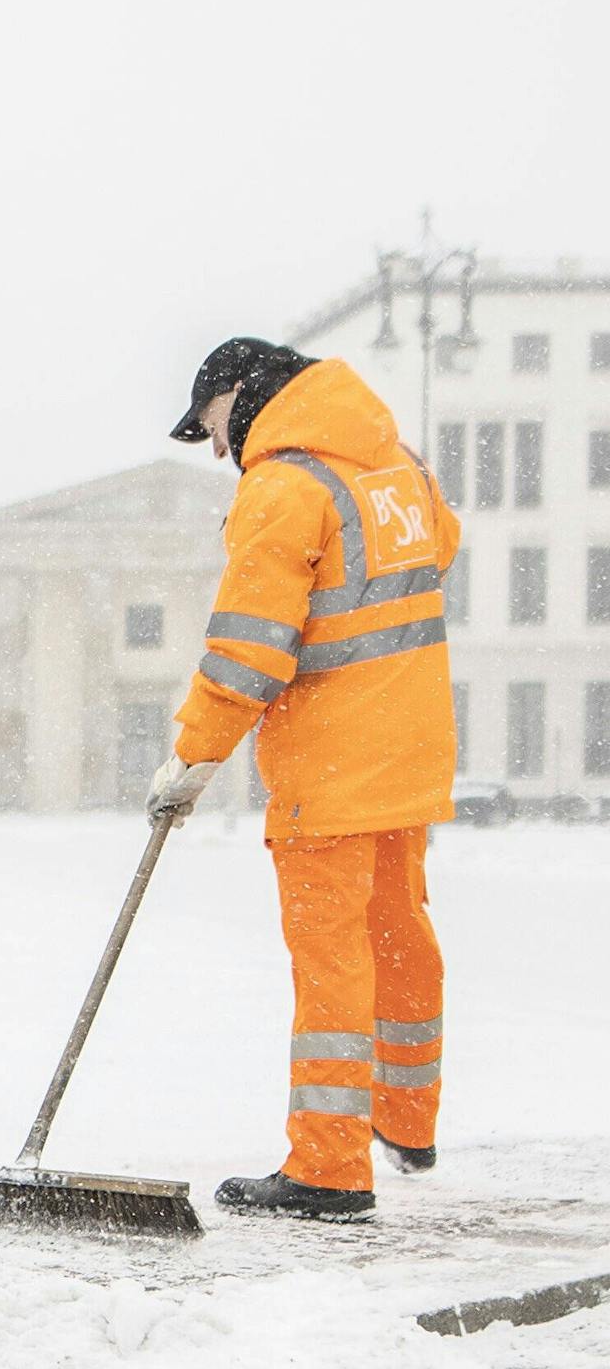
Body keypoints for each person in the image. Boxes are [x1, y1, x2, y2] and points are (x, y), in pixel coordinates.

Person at [146, 337, 459, 1222]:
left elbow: (247, 652)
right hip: (409, 750)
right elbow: (441, 550)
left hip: (329, 770)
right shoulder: (394, 465)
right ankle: (406, 1119)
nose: (216, 450)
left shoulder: (283, 488)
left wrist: (193, 757)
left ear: (242, 394)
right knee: (399, 933)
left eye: (210, 426)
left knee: (332, 964)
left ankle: (328, 1168)